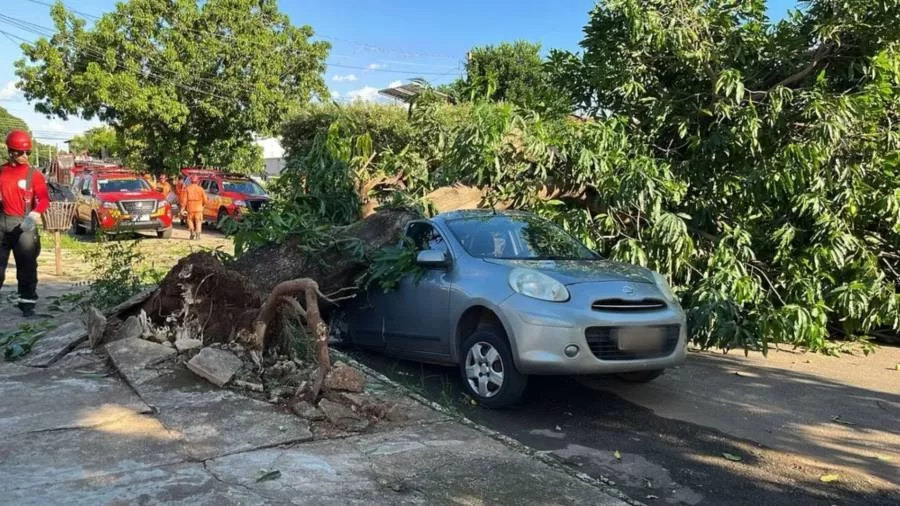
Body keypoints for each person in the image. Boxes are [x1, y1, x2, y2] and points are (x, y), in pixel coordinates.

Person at [0, 130, 50, 317]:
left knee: (27, 267)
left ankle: (27, 305)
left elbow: (44, 199)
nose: (24, 156)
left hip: (24, 224)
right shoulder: (2, 171)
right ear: (10, 151)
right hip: (2, 222)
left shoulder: (34, 175)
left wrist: (35, 215)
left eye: (27, 152)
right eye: (20, 152)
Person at [179, 174, 207, 240]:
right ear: (197, 181)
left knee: (190, 220)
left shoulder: (187, 189)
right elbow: (205, 200)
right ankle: (198, 235)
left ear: (191, 181)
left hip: (190, 209)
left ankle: (192, 232)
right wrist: (202, 206)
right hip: (199, 209)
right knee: (198, 221)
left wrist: (182, 209)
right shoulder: (201, 189)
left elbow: (184, 200)